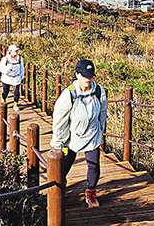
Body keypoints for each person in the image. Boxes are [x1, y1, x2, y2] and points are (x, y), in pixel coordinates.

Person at [50, 59, 108, 208]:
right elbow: (59, 120)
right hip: (72, 137)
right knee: (66, 164)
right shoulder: (69, 94)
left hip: (92, 134)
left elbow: (102, 112)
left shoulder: (99, 91)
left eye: (90, 76)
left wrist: (100, 130)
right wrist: (59, 142)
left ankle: (91, 192)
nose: (88, 79)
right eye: (84, 76)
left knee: (94, 165)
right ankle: (59, 186)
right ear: (77, 75)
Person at [0, 44, 25, 111]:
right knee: (5, 91)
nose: (16, 52)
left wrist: (21, 77)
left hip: (16, 78)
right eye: (14, 51)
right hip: (7, 78)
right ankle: (3, 99)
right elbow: (0, 68)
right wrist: (6, 70)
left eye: (16, 51)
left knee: (16, 92)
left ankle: (15, 104)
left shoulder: (20, 59)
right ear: (10, 51)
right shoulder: (5, 59)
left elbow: (22, 68)